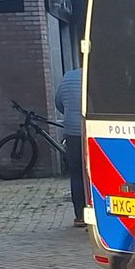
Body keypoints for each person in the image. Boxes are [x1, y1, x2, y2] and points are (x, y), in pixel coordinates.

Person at [54, 66, 84, 227]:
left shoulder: (68, 77)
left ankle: (80, 216)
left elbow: (58, 102)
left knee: (77, 174)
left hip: (72, 132)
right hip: (91, 131)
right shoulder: (96, 75)